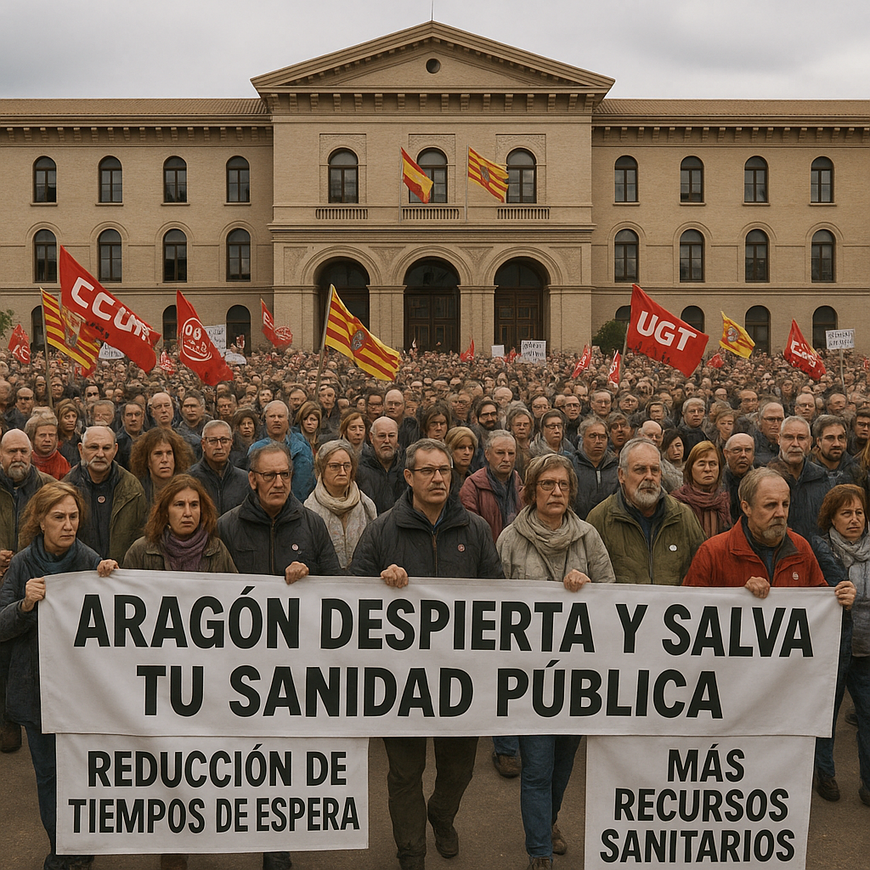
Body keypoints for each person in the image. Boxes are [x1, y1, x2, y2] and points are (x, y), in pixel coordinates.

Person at [351, 438, 503, 870]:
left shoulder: (475, 529)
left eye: (444, 470)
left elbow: (497, 595)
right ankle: (411, 852)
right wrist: (380, 583)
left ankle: (441, 814)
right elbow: (353, 594)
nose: (438, 478)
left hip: (460, 678)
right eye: (428, 471)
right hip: (399, 679)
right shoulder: (382, 530)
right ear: (408, 477)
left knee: (458, 770)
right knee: (405, 773)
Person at [496, 454, 615, 869]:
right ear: (531, 491)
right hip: (528, 677)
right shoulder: (510, 539)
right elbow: (493, 603)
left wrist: (589, 588)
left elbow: (611, 595)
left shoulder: (588, 537)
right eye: (547, 484)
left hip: (577, 677)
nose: (556, 491)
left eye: (563, 485)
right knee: (536, 768)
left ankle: (547, 822)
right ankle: (539, 851)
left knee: (562, 767)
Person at [0, 481, 117, 870]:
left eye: (73, 517)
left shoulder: (89, 560)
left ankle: (81, 847)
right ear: (40, 521)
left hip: (81, 693)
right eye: (59, 517)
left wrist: (111, 580)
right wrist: (24, 605)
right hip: (36, 691)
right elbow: (1, 625)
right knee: (49, 777)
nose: (68, 525)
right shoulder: (22, 564)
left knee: (82, 776)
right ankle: (60, 848)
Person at [683, 468, 855, 605]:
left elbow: (819, 605)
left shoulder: (801, 548)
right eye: (770, 505)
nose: (780, 513)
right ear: (746, 507)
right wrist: (739, 595)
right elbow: (691, 607)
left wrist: (839, 599)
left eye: (785, 504)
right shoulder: (712, 552)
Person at [811, 484, 870, 806]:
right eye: (846, 513)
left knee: (868, 717)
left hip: (866, 650)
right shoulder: (820, 550)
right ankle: (825, 773)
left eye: (859, 512)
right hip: (831, 649)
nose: (854, 519)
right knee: (826, 717)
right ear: (831, 518)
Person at [586, 438, 705, 585]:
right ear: (621, 475)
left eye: (654, 470)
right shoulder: (600, 519)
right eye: (640, 469)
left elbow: (704, 572)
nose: (649, 476)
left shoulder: (684, 516)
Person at [217, 443, 341, 580]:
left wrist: (307, 575)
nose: (279, 483)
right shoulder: (226, 527)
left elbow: (333, 581)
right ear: (253, 479)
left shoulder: (313, 524)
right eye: (269, 475)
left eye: (284, 474)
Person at [64, 425, 148, 562]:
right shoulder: (66, 488)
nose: (100, 454)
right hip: (81, 570)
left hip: (120, 570)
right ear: (81, 449)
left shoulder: (132, 488)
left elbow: (141, 535)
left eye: (106, 448)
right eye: (93, 447)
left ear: (115, 450)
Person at [304, 439, 376, 569]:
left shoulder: (366, 505)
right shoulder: (310, 509)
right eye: (335, 466)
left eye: (347, 466)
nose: (342, 472)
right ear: (322, 470)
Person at [769, 415, 831, 541]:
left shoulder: (821, 477)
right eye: (789, 437)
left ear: (810, 442)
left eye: (801, 438)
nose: (795, 444)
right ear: (779, 440)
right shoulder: (765, 479)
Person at [460, 430, 522, 545]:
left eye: (511, 453)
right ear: (487, 454)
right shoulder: (473, 485)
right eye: (500, 453)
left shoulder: (517, 482)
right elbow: (469, 529)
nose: (506, 459)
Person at [248, 400, 316, 502]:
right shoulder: (256, 449)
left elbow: (309, 484)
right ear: (265, 419)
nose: (276, 420)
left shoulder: (302, 449)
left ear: (287, 420)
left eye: (280, 416)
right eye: (272, 416)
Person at [671, 440, 732, 538]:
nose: (707, 469)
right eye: (701, 464)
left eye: (712, 464)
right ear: (690, 468)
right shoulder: (676, 502)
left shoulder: (724, 502)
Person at [188, 420, 250, 515]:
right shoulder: (190, 479)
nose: (219, 446)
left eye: (224, 441)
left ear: (231, 443)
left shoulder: (245, 480)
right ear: (203, 444)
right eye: (213, 441)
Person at [130, 426, 194, 506]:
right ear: (147, 460)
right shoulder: (137, 492)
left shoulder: (189, 487)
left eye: (169, 453)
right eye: (158, 454)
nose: (165, 460)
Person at [356, 416, 407, 514]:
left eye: (391, 436)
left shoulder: (407, 466)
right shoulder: (359, 469)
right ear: (371, 437)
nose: (387, 441)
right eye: (382, 436)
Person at [572, 418, 618, 520]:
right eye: (593, 436)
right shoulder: (572, 466)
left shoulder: (616, 467)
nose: (598, 441)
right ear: (583, 438)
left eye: (602, 437)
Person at [722, 433, 756, 524]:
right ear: (726, 454)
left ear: (753, 456)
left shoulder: (761, 483)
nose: (743, 455)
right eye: (737, 450)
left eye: (748, 450)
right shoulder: (717, 483)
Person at [25, 414, 70, 480]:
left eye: (51, 435)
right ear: (32, 438)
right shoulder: (25, 460)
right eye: (42, 435)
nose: (47, 439)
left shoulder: (63, 464)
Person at [445, 426, 478, 495]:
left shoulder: (474, 479)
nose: (467, 452)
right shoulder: (445, 478)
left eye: (470, 448)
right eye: (461, 448)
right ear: (450, 450)